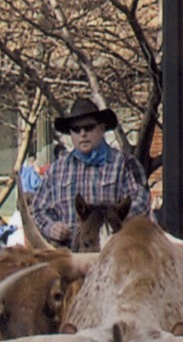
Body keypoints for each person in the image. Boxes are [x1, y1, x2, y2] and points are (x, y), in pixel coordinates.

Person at [30, 97, 151, 245]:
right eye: (76, 129)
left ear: (101, 128)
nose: (82, 134)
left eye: (88, 127)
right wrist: (52, 227)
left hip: (112, 250)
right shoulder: (56, 170)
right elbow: (38, 210)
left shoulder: (124, 164)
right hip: (69, 248)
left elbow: (141, 202)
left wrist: (109, 224)